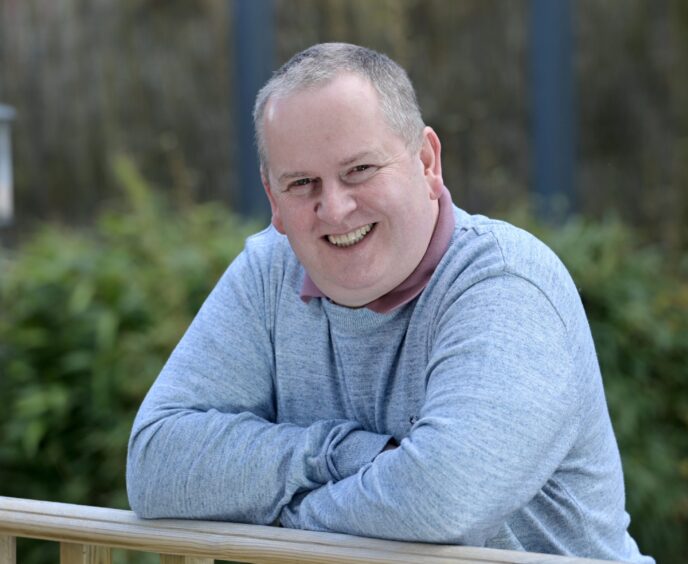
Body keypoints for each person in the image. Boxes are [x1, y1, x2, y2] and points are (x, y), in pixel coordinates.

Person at [126, 42, 653, 563]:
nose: (334, 209)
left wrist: (284, 526)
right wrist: (345, 453)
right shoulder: (269, 273)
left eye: (358, 170)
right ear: (274, 202)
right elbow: (155, 465)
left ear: (426, 161)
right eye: (302, 183)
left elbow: (444, 500)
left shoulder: (506, 284)